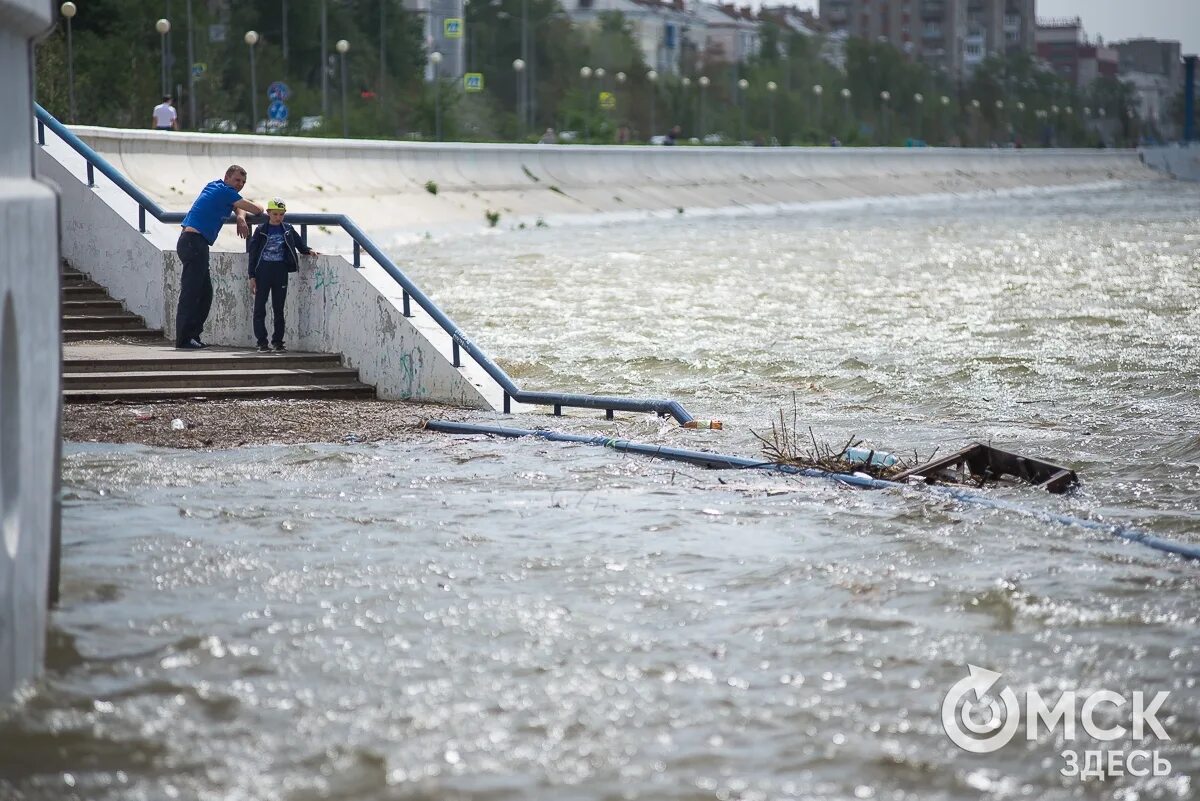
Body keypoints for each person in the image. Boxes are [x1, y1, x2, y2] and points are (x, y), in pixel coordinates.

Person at [176, 165, 263, 349]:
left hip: (191, 242)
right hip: (194, 242)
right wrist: (250, 210)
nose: (240, 185)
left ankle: (192, 336)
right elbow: (256, 209)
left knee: (205, 293)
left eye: (243, 182)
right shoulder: (225, 192)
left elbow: (237, 206)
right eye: (237, 180)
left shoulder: (215, 186)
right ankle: (184, 339)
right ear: (227, 177)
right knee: (191, 293)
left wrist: (240, 217)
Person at [246, 198, 319, 352]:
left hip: (280, 270)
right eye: (275, 214)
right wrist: (251, 276)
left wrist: (308, 250)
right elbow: (253, 254)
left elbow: (299, 244)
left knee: (279, 308)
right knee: (260, 307)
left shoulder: (287, 229)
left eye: (281, 214)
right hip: (263, 271)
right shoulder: (261, 230)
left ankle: (278, 342)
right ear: (268, 213)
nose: (278, 217)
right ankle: (262, 342)